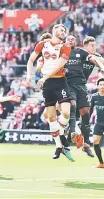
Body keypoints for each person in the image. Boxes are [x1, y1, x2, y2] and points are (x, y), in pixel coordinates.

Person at [26, 24, 74, 161]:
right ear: (54, 31)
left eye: (65, 30)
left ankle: (62, 134)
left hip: (60, 82)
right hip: (47, 84)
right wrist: (29, 75)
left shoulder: (65, 47)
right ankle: (59, 145)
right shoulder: (42, 44)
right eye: (61, 30)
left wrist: (44, 77)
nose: (63, 32)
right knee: (51, 117)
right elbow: (30, 60)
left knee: (66, 112)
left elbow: (59, 65)